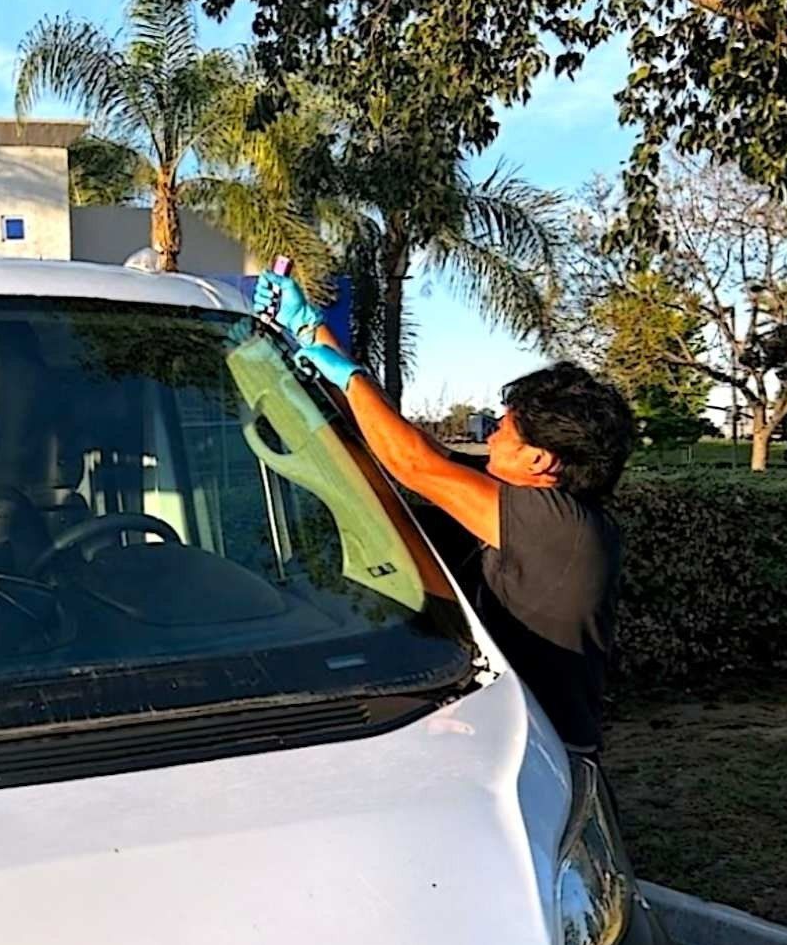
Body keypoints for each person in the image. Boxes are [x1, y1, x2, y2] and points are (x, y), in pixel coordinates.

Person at [254, 277, 636, 754]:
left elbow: (415, 465)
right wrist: (313, 331)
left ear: (542, 460)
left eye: (503, 428)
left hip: (548, 752)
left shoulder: (566, 529)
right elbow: (414, 450)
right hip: (488, 727)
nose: (491, 435)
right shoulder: (514, 491)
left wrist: (348, 374)